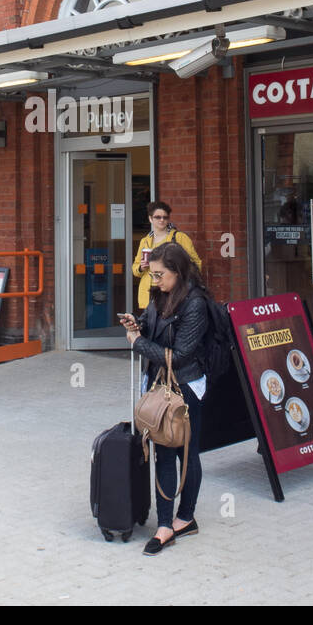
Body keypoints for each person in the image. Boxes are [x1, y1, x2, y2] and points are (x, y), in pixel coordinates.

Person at [121, 241, 209, 556]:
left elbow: (182, 355)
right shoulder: (159, 294)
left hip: (185, 387)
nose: (155, 281)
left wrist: (137, 342)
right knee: (164, 451)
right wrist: (137, 325)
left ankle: (185, 517)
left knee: (186, 450)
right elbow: (149, 324)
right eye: (153, 275)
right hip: (160, 384)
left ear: (178, 271)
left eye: (160, 275)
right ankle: (165, 524)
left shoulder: (195, 303)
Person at [132, 201, 202, 310]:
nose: (162, 220)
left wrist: (182, 279)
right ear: (150, 219)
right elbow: (135, 269)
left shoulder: (179, 238)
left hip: (171, 291)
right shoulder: (145, 241)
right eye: (158, 217)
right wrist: (141, 267)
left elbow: (196, 263)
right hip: (149, 292)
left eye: (165, 217)